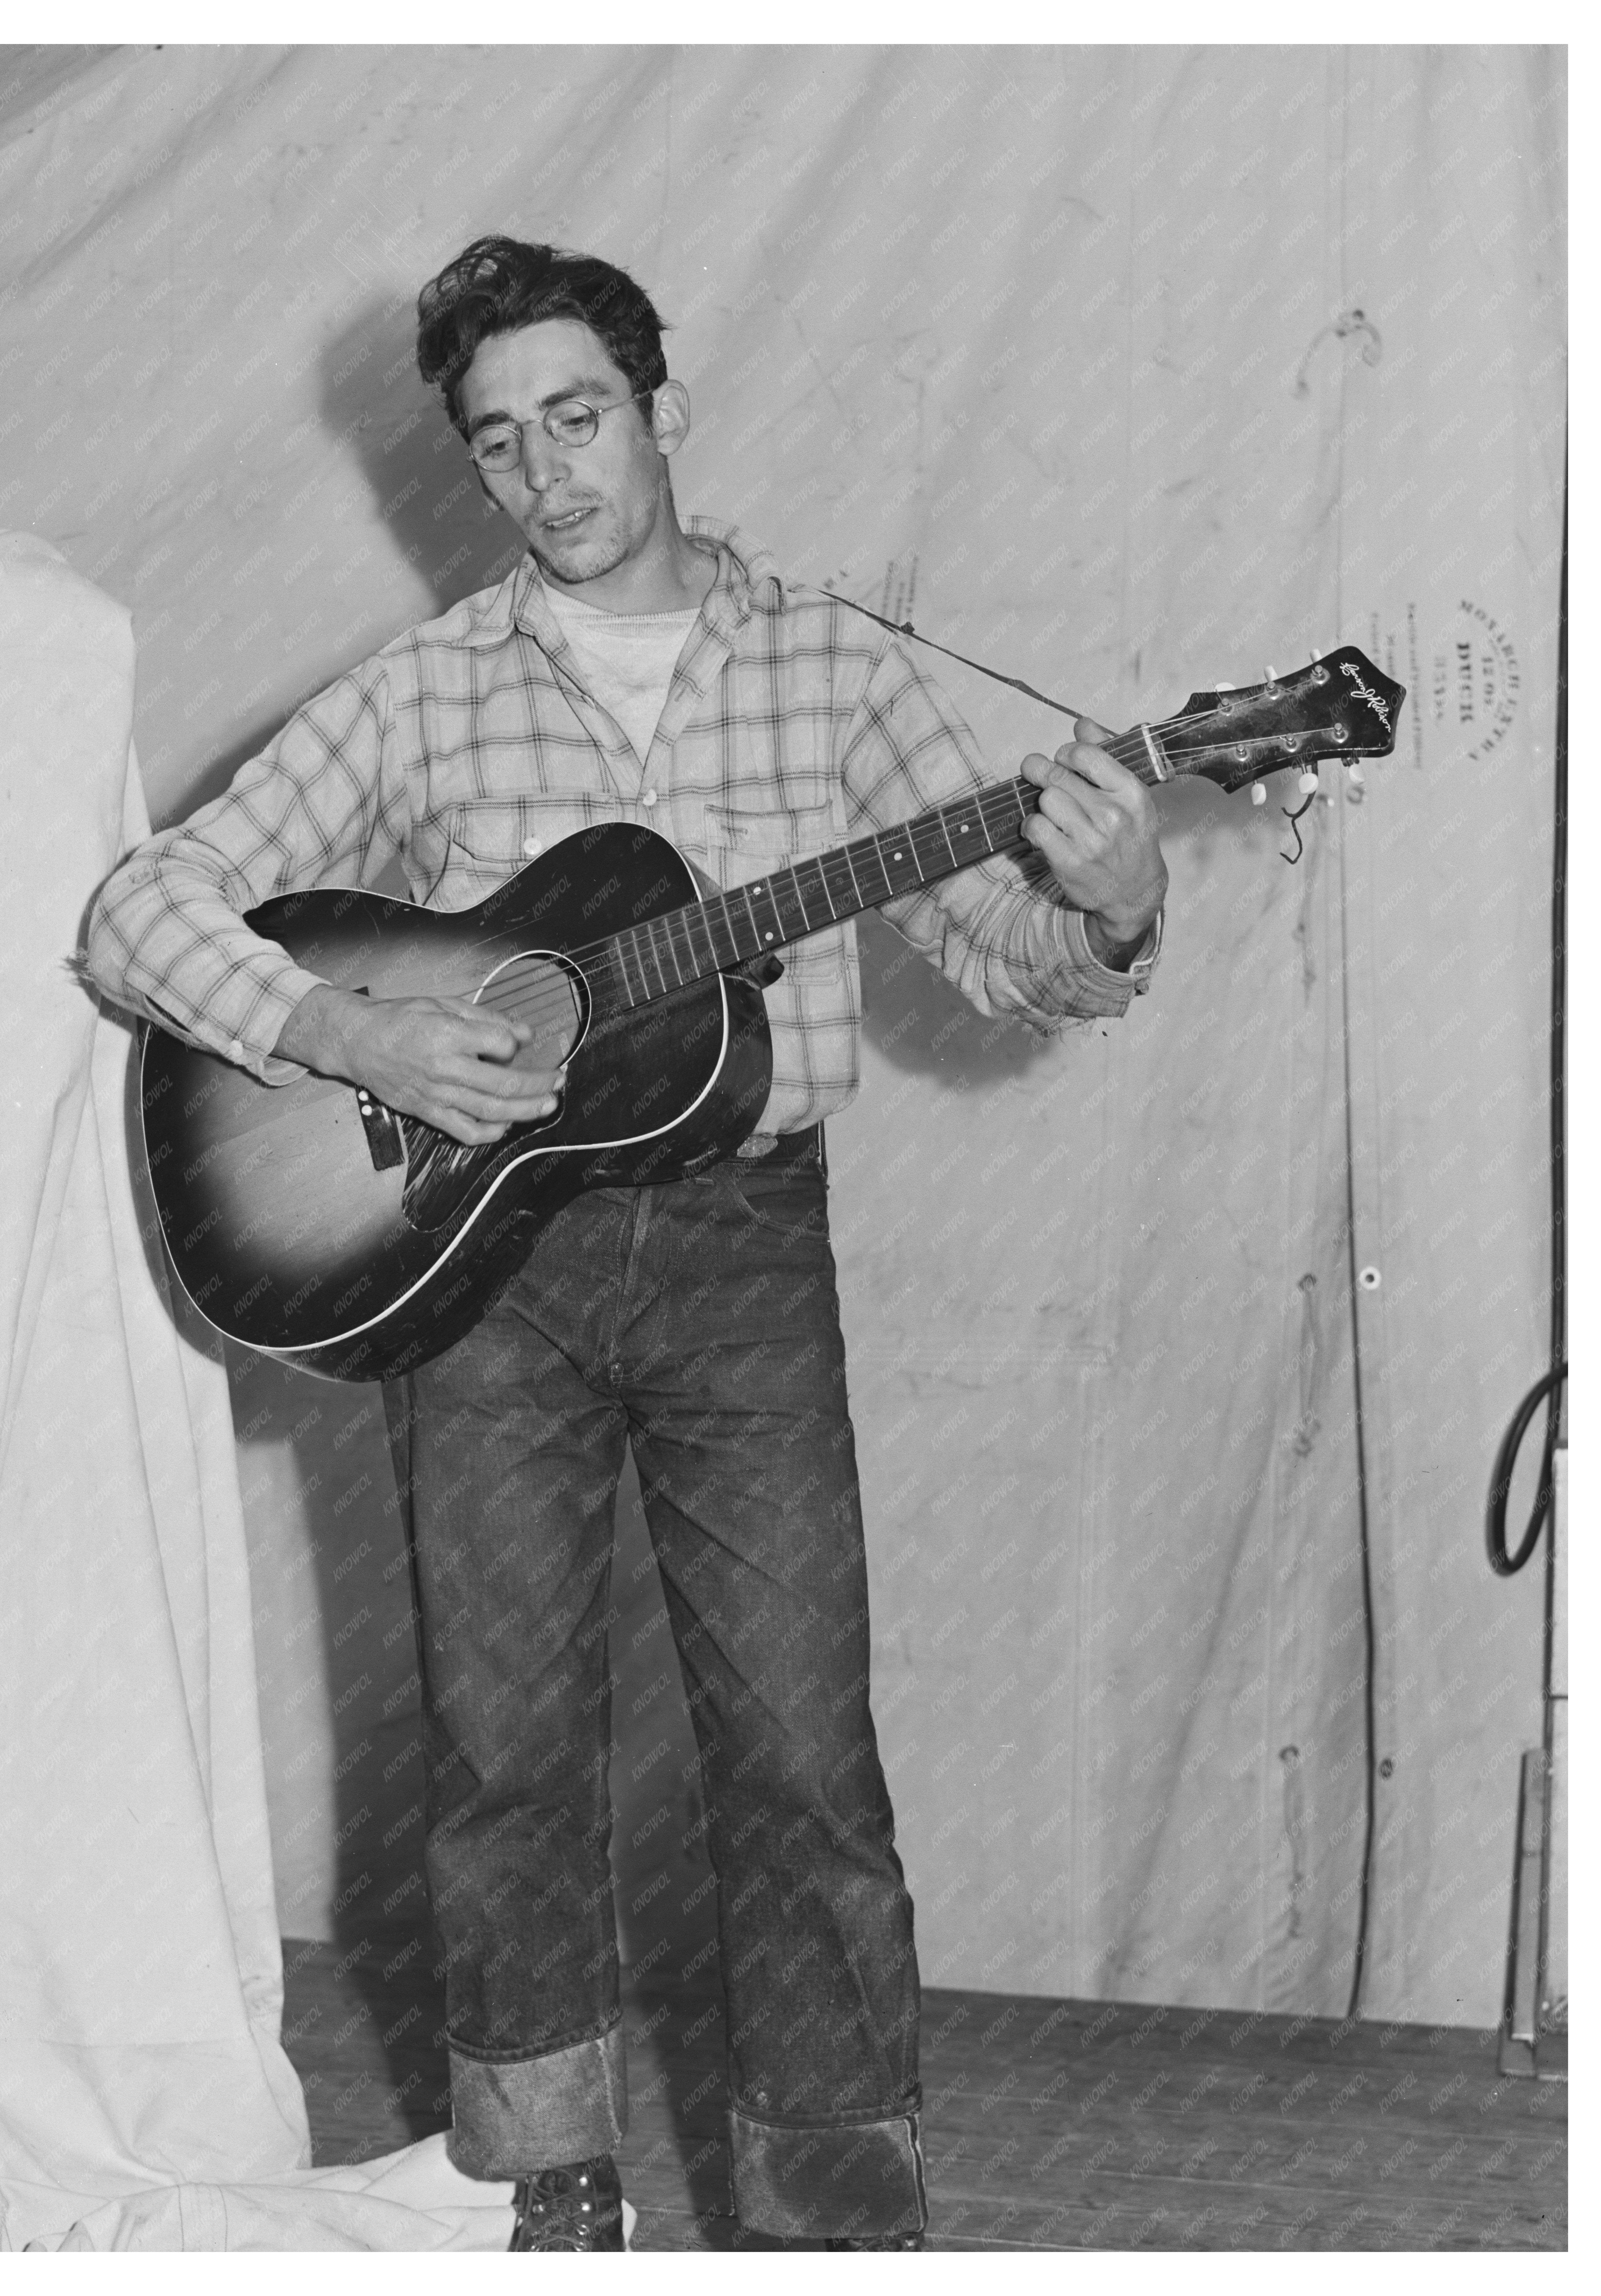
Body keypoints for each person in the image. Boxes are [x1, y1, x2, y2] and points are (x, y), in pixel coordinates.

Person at [85, 235, 1168, 2251]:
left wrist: (1105, 904)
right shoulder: (420, 690)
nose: (548, 475)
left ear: (664, 410)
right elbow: (143, 907)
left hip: (752, 1251)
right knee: (506, 1758)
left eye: (580, 419)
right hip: (488, 1282)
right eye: (501, 445)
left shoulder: (838, 661)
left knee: (801, 1746)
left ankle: (837, 2203)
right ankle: (541, 2202)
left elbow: (1005, 949)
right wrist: (348, 1025)